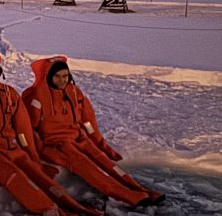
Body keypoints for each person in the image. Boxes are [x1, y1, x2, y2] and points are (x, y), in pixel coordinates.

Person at [0, 52, 101, 216]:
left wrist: (33, 157)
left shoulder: (9, 94)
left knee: (36, 173)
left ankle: (72, 205)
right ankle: (49, 210)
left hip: (10, 148)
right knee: (15, 177)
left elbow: (23, 130)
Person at [22, 57, 163, 207]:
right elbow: (30, 129)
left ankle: (140, 189)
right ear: (49, 77)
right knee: (87, 167)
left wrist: (101, 144)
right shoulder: (37, 98)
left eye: (65, 76)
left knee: (106, 162)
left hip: (78, 138)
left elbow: (87, 122)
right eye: (57, 76)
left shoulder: (74, 93)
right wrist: (37, 154)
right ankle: (126, 195)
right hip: (56, 145)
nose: (62, 80)